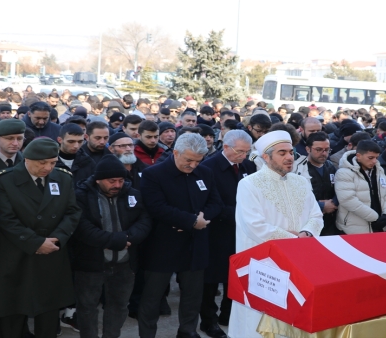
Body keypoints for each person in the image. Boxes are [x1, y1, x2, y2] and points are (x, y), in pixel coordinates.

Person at [229, 131, 323, 338]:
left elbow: (316, 215)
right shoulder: (249, 184)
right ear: (266, 157)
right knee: (257, 319)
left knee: (294, 312)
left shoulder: (301, 182)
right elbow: (254, 226)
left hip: (299, 261)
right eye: (282, 153)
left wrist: (306, 233)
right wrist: (294, 240)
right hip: (263, 264)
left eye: (291, 152)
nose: (289, 157)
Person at [0, 138, 81, 338]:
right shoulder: (4, 180)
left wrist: (56, 238)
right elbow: (6, 219)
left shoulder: (63, 178)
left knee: (48, 311)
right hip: (17, 253)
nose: (47, 167)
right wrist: (36, 242)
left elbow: (73, 212)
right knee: (13, 310)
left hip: (52, 252)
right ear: (27, 159)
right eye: (42, 163)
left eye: (52, 162)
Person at [138, 134, 223, 338]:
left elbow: (215, 203)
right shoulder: (153, 174)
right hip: (162, 246)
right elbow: (157, 207)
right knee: (152, 297)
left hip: (196, 245)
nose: (193, 165)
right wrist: (191, 221)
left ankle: (188, 331)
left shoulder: (205, 172)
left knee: (193, 296)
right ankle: (147, 334)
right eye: (188, 160)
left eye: (198, 161)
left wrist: (200, 219)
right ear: (175, 152)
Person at [73, 155, 152, 338]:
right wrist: (116, 241)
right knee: (87, 307)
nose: (117, 185)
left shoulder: (133, 194)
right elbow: (82, 228)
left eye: (121, 180)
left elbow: (145, 221)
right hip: (90, 265)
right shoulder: (81, 196)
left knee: (118, 306)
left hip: (124, 264)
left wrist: (129, 238)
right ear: (98, 179)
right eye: (112, 181)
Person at [199, 130, 256, 336]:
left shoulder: (248, 166)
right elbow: (209, 202)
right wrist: (239, 214)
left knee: (236, 275)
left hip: (241, 231)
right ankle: (208, 320)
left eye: (247, 152)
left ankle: (228, 313)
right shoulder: (209, 167)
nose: (243, 156)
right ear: (225, 147)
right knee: (212, 278)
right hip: (216, 231)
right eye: (239, 151)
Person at [335, 140, 386, 234]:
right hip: (353, 230)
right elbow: (348, 200)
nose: (374, 161)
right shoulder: (344, 172)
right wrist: (375, 217)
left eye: (376, 158)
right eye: (370, 158)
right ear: (359, 156)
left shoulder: (379, 170)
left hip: (380, 226)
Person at [302, 131, 339, 235]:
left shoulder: (330, 166)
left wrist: (334, 203)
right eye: (318, 150)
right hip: (309, 224)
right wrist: (321, 206)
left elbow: (341, 188)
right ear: (308, 149)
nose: (324, 153)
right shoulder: (300, 169)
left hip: (331, 222)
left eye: (327, 150)